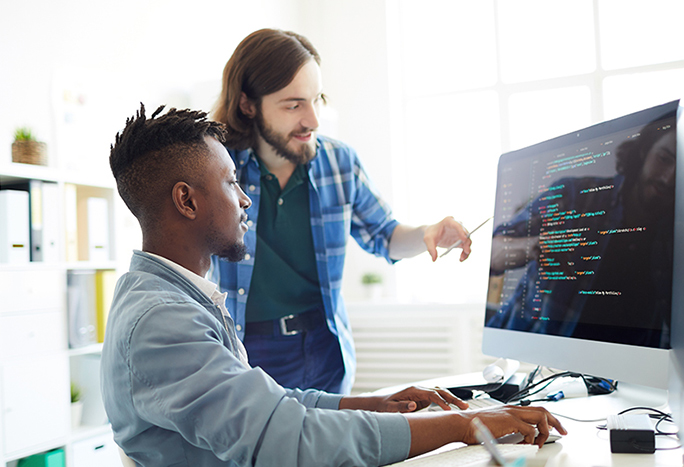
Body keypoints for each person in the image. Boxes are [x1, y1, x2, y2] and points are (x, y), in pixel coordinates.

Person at [100, 104, 566, 466]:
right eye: (230, 182)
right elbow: (288, 439)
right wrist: (465, 424)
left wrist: (375, 404)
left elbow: (274, 405)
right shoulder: (162, 320)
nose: (245, 199)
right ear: (186, 200)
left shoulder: (172, 296)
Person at [210, 28, 473, 394]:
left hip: (323, 349)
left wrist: (427, 232)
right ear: (248, 104)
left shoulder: (339, 162)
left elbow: (385, 235)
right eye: (293, 105)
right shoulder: (217, 167)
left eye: (316, 99)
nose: (313, 119)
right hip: (246, 351)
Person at [486, 113, 676, 348]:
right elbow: (494, 251)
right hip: (531, 356)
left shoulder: (675, 232)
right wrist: (533, 247)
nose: (669, 178)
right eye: (664, 159)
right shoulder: (573, 195)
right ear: (644, 151)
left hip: (631, 375)